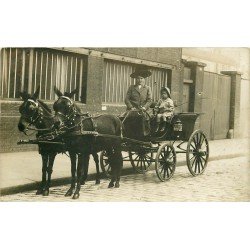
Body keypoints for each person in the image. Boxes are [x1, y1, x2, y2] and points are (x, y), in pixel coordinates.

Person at [124, 65, 153, 136]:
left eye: (141, 78)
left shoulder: (147, 88)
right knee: (124, 118)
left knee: (142, 119)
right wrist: (131, 107)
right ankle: (127, 134)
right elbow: (126, 99)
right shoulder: (131, 88)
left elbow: (150, 100)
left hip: (144, 110)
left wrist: (144, 107)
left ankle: (144, 134)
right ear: (135, 79)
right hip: (132, 109)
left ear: (144, 79)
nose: (140, 80)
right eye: (138, 78)